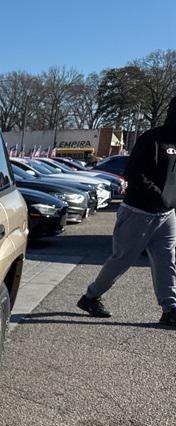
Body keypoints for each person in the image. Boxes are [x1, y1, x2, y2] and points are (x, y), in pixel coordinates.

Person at [77, 96, 176, 328]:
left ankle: (170, 309)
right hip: (138, 212)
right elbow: (134, 174)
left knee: (167, 260)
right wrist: (159, 197)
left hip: (166, 214)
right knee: (122, 259)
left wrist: (170, 202)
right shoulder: (151, 139)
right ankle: (90, 297)